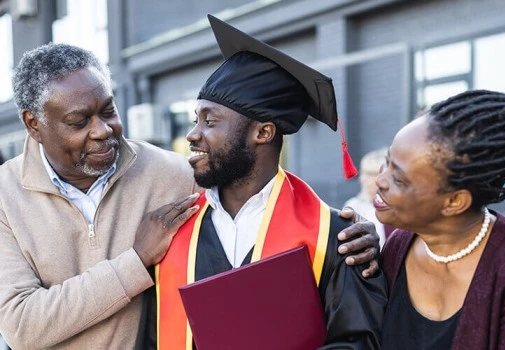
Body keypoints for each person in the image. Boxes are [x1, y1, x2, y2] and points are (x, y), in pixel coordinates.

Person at [0, 43, 380, 349]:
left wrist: (366, 232)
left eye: (109, 111)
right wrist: (136, 261)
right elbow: (21, 326)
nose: (192, 136)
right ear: (33, 124)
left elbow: (250, 181)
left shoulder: (180, 176)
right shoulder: (6, 195)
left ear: (264, 133)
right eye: (79, 122)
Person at [156, 15, 387, 350]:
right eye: (196, 120)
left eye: (210, 121)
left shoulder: (335, 236)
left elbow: (359, 342)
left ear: (263, 132)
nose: (192, 134)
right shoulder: (172, 229)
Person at [378, 90, 505, 349]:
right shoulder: (397, 247)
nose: (379, 181)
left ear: (455, 202)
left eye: (399, 179)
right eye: (386, 162)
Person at [345, 147, 394, 246]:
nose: (362, 179)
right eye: (363, 173)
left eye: (369, 174)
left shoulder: (401, 208)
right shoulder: (354, 206)